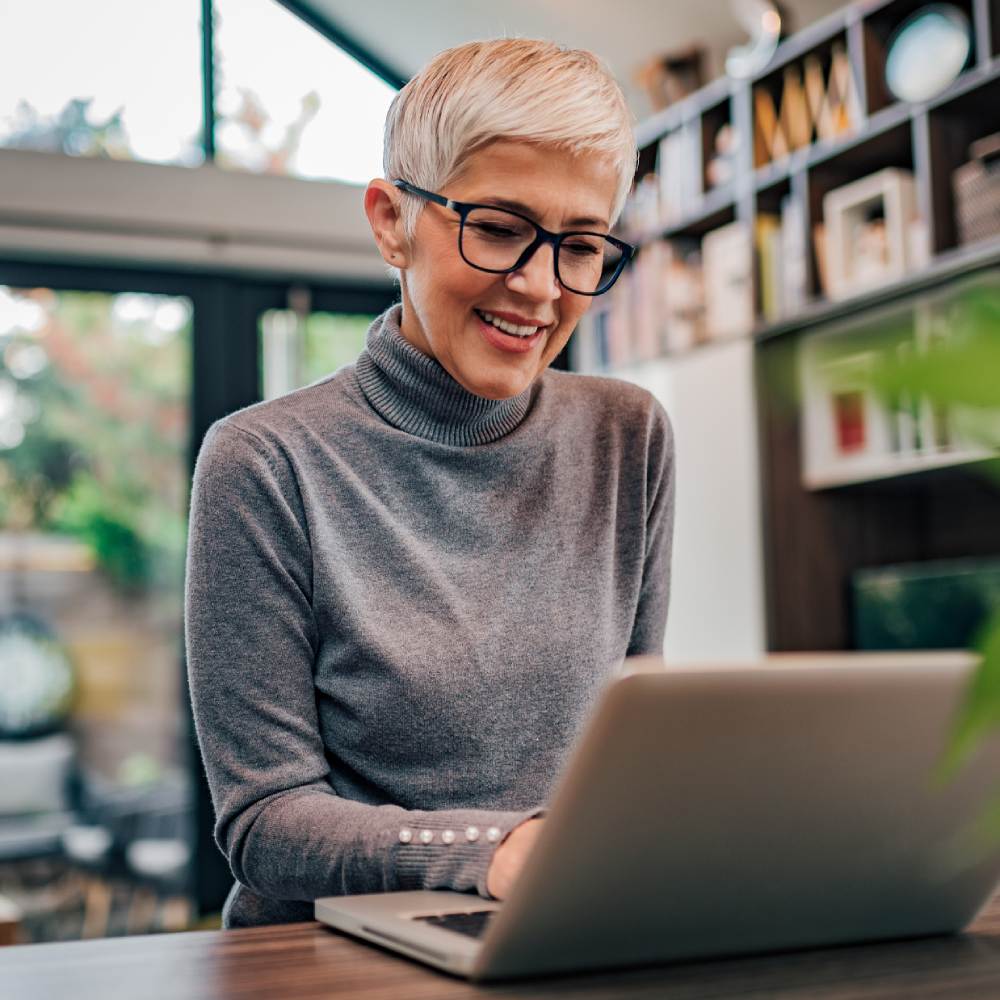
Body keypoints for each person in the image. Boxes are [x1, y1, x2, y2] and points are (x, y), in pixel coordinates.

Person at [185, 37, 676, 929]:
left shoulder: (626, 435)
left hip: (559, 934)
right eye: (497, 229)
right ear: (390, 221)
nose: (538, 288)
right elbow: (265, 824)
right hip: (326, 960)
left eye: (581, 246)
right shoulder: (264, 463)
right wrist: (491, 854)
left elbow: (633, 751)